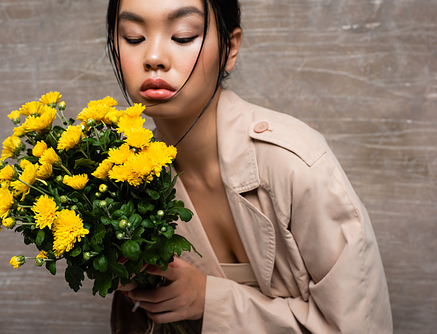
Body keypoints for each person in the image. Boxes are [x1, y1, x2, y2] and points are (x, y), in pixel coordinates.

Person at [105, 0, 393, 333]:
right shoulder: (124, 182)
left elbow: (361, 326)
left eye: (183, 36)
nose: (153, 57)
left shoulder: (295, 164)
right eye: (134, 37)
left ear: (231, 48)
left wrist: (208, 300)